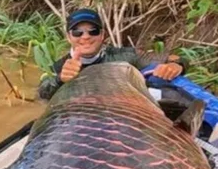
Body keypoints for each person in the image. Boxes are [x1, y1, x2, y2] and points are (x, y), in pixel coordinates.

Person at [37, 8, 187, 101]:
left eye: (93, 31)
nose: (85, 37)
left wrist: (176, 66)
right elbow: (42, 93)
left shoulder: (125, 56)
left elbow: (174, 58)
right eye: (77, 32)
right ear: (69, 37)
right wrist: (60, 80)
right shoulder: (59, 67)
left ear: (102, 35)